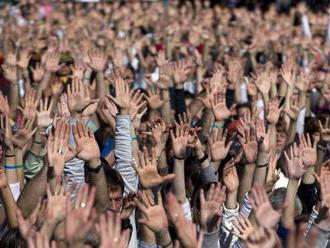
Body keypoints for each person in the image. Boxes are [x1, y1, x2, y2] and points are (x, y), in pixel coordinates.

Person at [0, 0, 329, 247]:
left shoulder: (165, 224)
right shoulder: (95, 216)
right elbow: (81, 192)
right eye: (112, 200)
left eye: (117, 199)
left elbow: (231, 221)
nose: (114, 205)